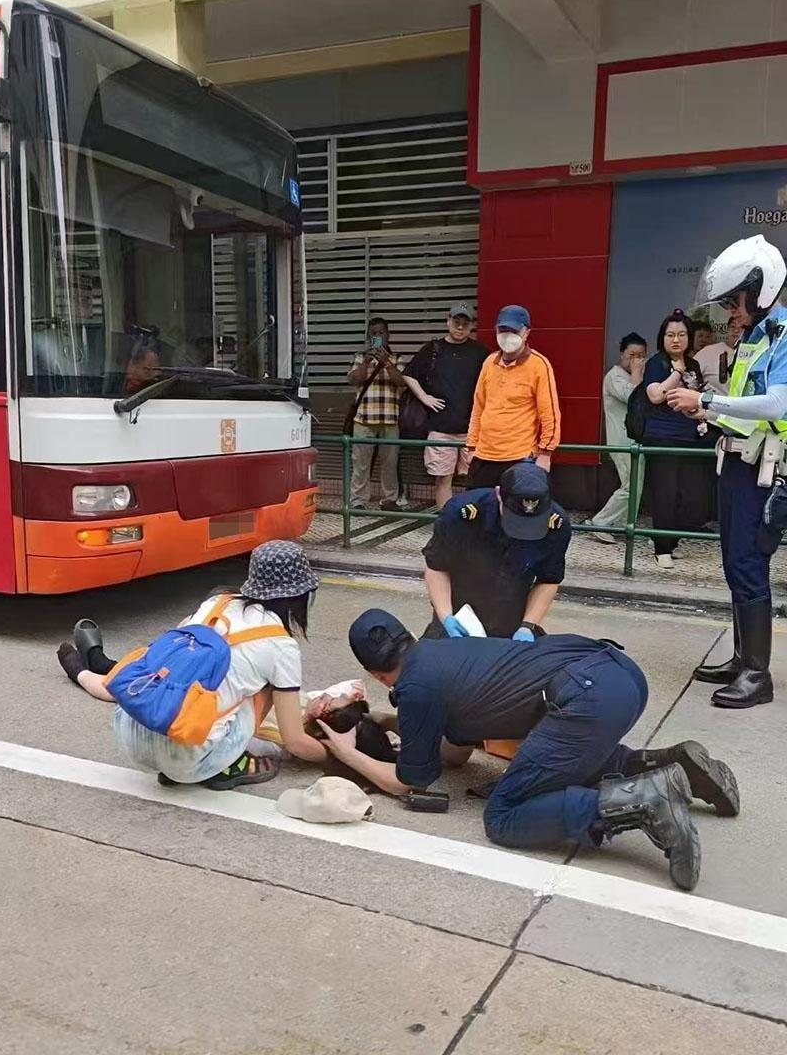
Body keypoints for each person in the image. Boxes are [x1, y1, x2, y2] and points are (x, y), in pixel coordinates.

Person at [317, 608, 741, 891]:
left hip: (586, 698)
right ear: (407, 636)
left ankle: (645, 802)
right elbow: (454, 750)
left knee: (504, 817)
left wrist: (346, 752)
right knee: (566, 758)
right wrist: (386, 719)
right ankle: (676, 764)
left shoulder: (415, 687)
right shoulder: (439, 650)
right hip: (618, 674)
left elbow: (412, 778)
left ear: (373, 672)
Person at [55, 541, 327, 786]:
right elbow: (295, 742)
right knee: (263, 686)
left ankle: (86, 667)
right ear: (301, 594)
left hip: (131, 739)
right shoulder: (281, 646)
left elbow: (146, 676)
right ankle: (228, 765)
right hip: (188, 763)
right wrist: (336, 755)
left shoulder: (215, 604)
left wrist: (79, 670)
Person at [667, 235, 787, 708]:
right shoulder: (755, 339)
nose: (729, 313)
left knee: (749, 565)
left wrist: (708, 400)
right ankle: (743, 658)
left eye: (734, 302)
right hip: (737, 463)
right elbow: (747, 410)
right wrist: (710, 416)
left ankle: (758, 676)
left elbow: (780, 403)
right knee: (734, 564)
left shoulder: (783, 336)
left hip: (765, 469)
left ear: (758, 293)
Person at [422, 462, 571, 640]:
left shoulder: (556, 525)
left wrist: (528, 625)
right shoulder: (461, 515)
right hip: (458, 613)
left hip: (512, 618)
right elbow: (437, 567)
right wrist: (446, 617)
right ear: (499, 494)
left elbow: (548, 579)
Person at [641, 310, 711, 569]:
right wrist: (676, 372)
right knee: (665, 495)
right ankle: (662, 548)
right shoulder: (656, 363)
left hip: (690, 437)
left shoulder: (694, 365)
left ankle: (671, 540)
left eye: (682, 334)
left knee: (694, 499)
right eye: (670, 335)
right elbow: (656, 396)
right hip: (661, 438)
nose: (676, 340)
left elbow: (696, 398)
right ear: (662, 338)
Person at [402, 303, 489, 508]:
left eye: (465, 324)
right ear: (447, 321)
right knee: (442, 478)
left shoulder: (481, 352)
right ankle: (446, 521)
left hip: (473, 428)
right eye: (456, 322)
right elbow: (409, 374)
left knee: (474, 479)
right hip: (440, 426)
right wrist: (425, 397)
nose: (460, 328)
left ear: (471, 326)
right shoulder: (433, 349)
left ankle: (473, 521)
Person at [466, 305, 561, 488]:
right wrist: (471, 447)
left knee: (515, 513)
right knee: (479, 512)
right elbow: (478, 407)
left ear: (526, 332)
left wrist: (546, 453)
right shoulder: (489, 362)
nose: (507, 335)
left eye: (514, 330)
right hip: (483, 457)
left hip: (519, 457)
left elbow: (549, 414)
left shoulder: (539, 365)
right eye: (503, 330)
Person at [585, 332, 647, 544]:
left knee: (635, 486)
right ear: (622, 354)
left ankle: (623, 524)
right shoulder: (614, 376)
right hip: (622, 442)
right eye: (632, 355)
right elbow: (632, 396)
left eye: (641, 356)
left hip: (635, 441)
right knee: (630, 486)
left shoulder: (635, 375)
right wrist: (638, 374)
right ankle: (600, 522)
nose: (637, 360)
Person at [347, 318, 407, 512]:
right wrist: (366, 362)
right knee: (360, 464)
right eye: (374, 333)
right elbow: (354, 380)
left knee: (390, 464)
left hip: (390, 420)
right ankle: (357, 502)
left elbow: (402, 383)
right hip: (364, 419)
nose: (377, 337)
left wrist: (387, 364)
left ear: (388, 335)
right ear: (368, 336)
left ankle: (389, 500)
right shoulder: (359, 357)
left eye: (381, 333)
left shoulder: (397, 358)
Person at [695, 318, 743, 394]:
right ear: (727, 330)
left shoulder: (751, 353)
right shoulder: (708, 351)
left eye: (741, 327)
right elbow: (690, 379)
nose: (736, 331)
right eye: (733, 327)